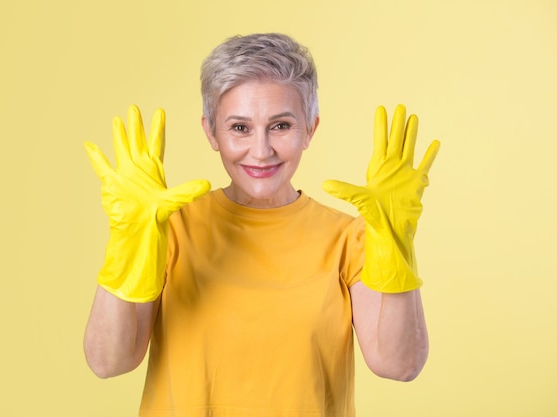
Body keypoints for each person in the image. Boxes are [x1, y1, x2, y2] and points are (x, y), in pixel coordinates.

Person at [83, 33, 440, 417]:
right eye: (239, 127)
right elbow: (109, 362)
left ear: (310, 129)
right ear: (211, 132)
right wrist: (129, 240)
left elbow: (398, 365)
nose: (261, 150)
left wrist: (395, 241)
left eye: (281, 125)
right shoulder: (168, 230)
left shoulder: (349, 239)